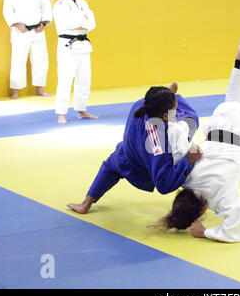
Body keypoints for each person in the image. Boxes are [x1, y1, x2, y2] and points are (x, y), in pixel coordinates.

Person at [158, 31, 240, 243]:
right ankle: (239, 61)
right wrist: (171, 107)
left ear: (203, 210)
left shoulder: (221, 194)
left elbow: (239, 231)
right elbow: (174, 133)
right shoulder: (184, 174)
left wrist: (205, 232)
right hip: (218, 121)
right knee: (235, 102)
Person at [67, 81, 203, 214]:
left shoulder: (141, 104)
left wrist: (167, 96)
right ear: (164, 116)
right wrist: (188, 161)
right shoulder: (158, 143)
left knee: (110, 166)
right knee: (192, 119)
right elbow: (164, 184)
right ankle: (171, 99)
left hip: (127, 152)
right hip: (141, 166)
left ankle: (86, 203)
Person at [53, 0, 98, 124]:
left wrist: (81, 24)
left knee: (84, 80)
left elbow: (92, 23)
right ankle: (61, 113)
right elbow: (66, 23)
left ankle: (81, 110)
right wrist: (81, 22)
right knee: (65, 80)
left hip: (83, 45)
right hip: (68, 46)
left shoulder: (82, 2)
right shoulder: (59, 5)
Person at [3, 0, 53, 99]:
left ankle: (39, 89)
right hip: (20, 31)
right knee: (18, 60)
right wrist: (16, 24)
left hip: (37, 30)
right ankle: (15, 90)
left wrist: (44, 23)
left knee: (40, 60)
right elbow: (7, 10)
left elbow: (46, 8)